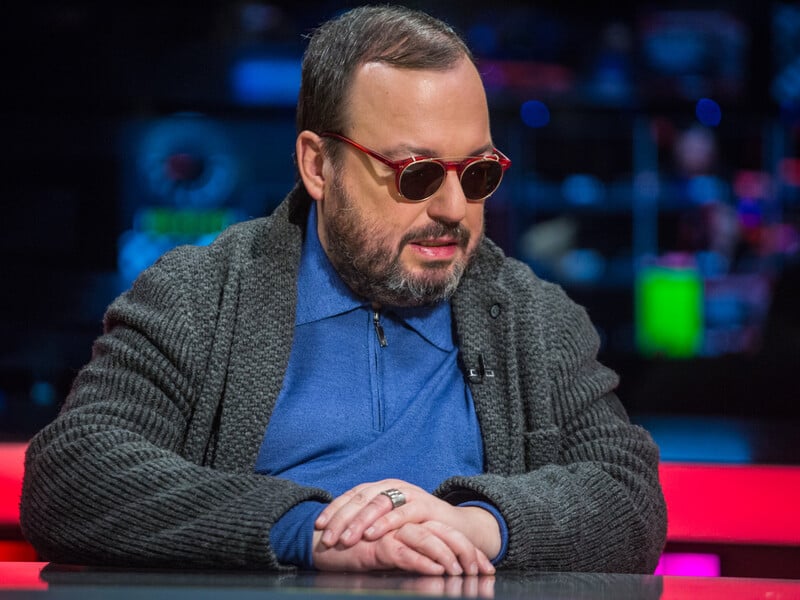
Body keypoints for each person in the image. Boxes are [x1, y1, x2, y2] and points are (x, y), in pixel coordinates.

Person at [20, 5, 666, 575]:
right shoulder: (200, 297)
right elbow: (73, 475)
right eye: (416, 173)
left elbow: (629, 497)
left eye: (477, 173)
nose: (453, 208)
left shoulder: (532, 317)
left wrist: (475, 525)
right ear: (318, 165)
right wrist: (313, 534)